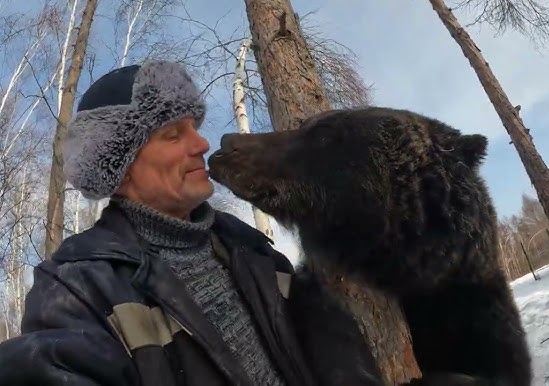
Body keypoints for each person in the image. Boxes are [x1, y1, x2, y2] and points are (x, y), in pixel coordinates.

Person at [0, 60, 379, 386]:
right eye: (172, 134)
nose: (201, 144)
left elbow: (324, 334)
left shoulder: (247, 245)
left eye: (194, 127)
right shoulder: (77, 287)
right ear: (121, 165)